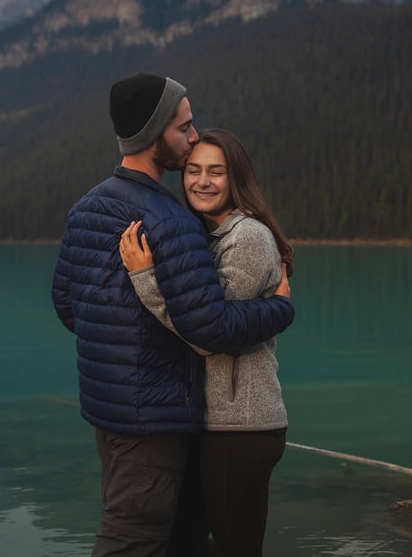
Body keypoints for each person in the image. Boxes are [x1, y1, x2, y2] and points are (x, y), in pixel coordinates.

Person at [51, 73, 294, 557]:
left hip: (107, 409)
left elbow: (67, 306)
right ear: (153, 134)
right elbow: (212, 329)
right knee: (132, 540)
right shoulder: (173, 221)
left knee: (155, 534)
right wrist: (279, 309)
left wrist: (121, 345)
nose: (194, 136)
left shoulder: (85, 208)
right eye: (184, 129)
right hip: (154, 414)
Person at [120, 127, 294, 557]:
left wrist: (146, 280)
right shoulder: (206, 236)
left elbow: (209, 335)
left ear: (236, 177)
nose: (202, 180)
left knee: (236, 548)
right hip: (215, 423)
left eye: (216, 172)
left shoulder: (248, 237)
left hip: (242, 425)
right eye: (194, 170)